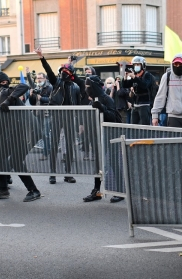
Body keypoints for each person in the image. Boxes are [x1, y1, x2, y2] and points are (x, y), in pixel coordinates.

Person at [0, 84, 43, 202]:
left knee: (15, 161)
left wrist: (8, 101)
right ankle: (2, 189)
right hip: (17, 132)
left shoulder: (3, 95)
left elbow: (24, 86)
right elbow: (1, 130)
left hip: (29, 132)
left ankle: (34, 191)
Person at [36, 47, 82, 184]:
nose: (63, 73)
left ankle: (68, 173)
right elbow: (49, 71)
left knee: (70, 145)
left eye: (66, 72)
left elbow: (79, 105)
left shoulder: (76, 87)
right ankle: (52, 174)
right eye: (62, 71)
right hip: (56, 116)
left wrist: (79, 121)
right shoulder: (56, 83)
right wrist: (41, 57)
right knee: (54, 144)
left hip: (69, 118)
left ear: (71, 74)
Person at [82, 75, 123, 202]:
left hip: (111, 135)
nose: (87, 89)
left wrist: (102, 108)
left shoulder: (106, 99)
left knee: (114, 163)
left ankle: (120, 191)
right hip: (98, 136)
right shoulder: (92, 99)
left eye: (89, 86)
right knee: (98, 164)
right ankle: (97, 191)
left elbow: (114, 118)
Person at [151, 54, 182, 128]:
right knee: (175, 139)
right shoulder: (167, 77)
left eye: (180, 64)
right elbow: (160, 96)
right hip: (173, 117)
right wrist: (155, 115)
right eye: (175, 64)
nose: (178, 66)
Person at [27, 70, 53, 161]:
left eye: (40, 78)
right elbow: (32, 103)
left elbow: (52, 100)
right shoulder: (36, 88)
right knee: (39, 133)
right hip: (37, 113)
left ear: (45, 78)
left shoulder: (49, 87)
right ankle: (48, 150)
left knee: (45, 134)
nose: (38, 80)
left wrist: (41, 98)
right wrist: (31, 96)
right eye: (37, 78)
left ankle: (46, 153)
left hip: (46, 114)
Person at [123, 56, 155, 125]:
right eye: (135, 65)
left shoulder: (147, 75)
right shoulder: (135, 75)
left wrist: (135, 77)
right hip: (135, 104)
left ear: (142, 65)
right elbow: (125, 85)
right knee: (134, 125)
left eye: (138, 64)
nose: (136, 66)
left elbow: (144, 85)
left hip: (145, 104)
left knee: (144, 125)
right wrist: (125, 77)